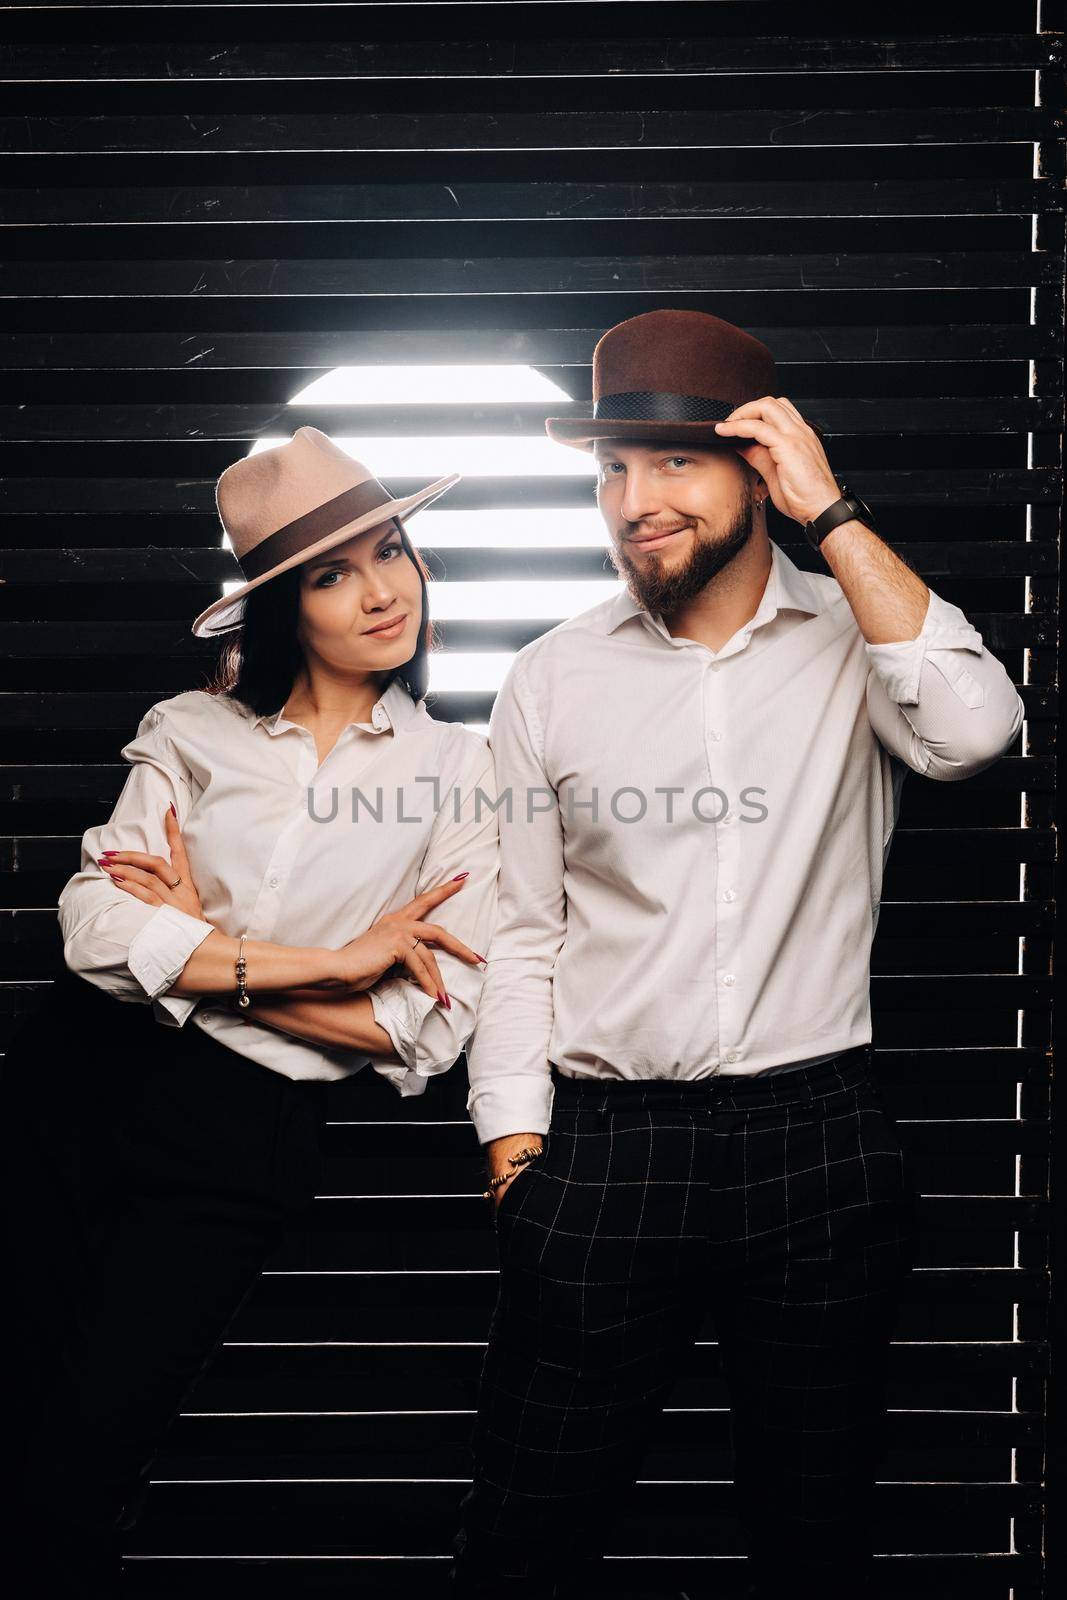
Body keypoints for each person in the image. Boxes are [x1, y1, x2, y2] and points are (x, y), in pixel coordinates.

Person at [452, 310, 1026, 1599]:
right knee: (524, 1535)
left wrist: (831, 513)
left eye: (670, 463)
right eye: (610, 467)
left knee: (810, 1535)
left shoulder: (858, 635)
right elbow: (524, 932)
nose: (631, 501)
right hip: (603, 1146)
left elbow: (979, 730)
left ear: (755, 472)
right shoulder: (549, 678)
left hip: (815, 1138)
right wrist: (513, 1150)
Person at [4, 425, 499, 1591]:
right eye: (334, 572)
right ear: (283, 605)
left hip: (240, 1137)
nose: (382, 590)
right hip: (74, 1081)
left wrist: (198, 950)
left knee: (93, 1441)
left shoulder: (461, 773)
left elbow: (424, 1028)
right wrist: (327, 966)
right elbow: (92, 935)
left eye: (391, 551)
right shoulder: (191, 732)